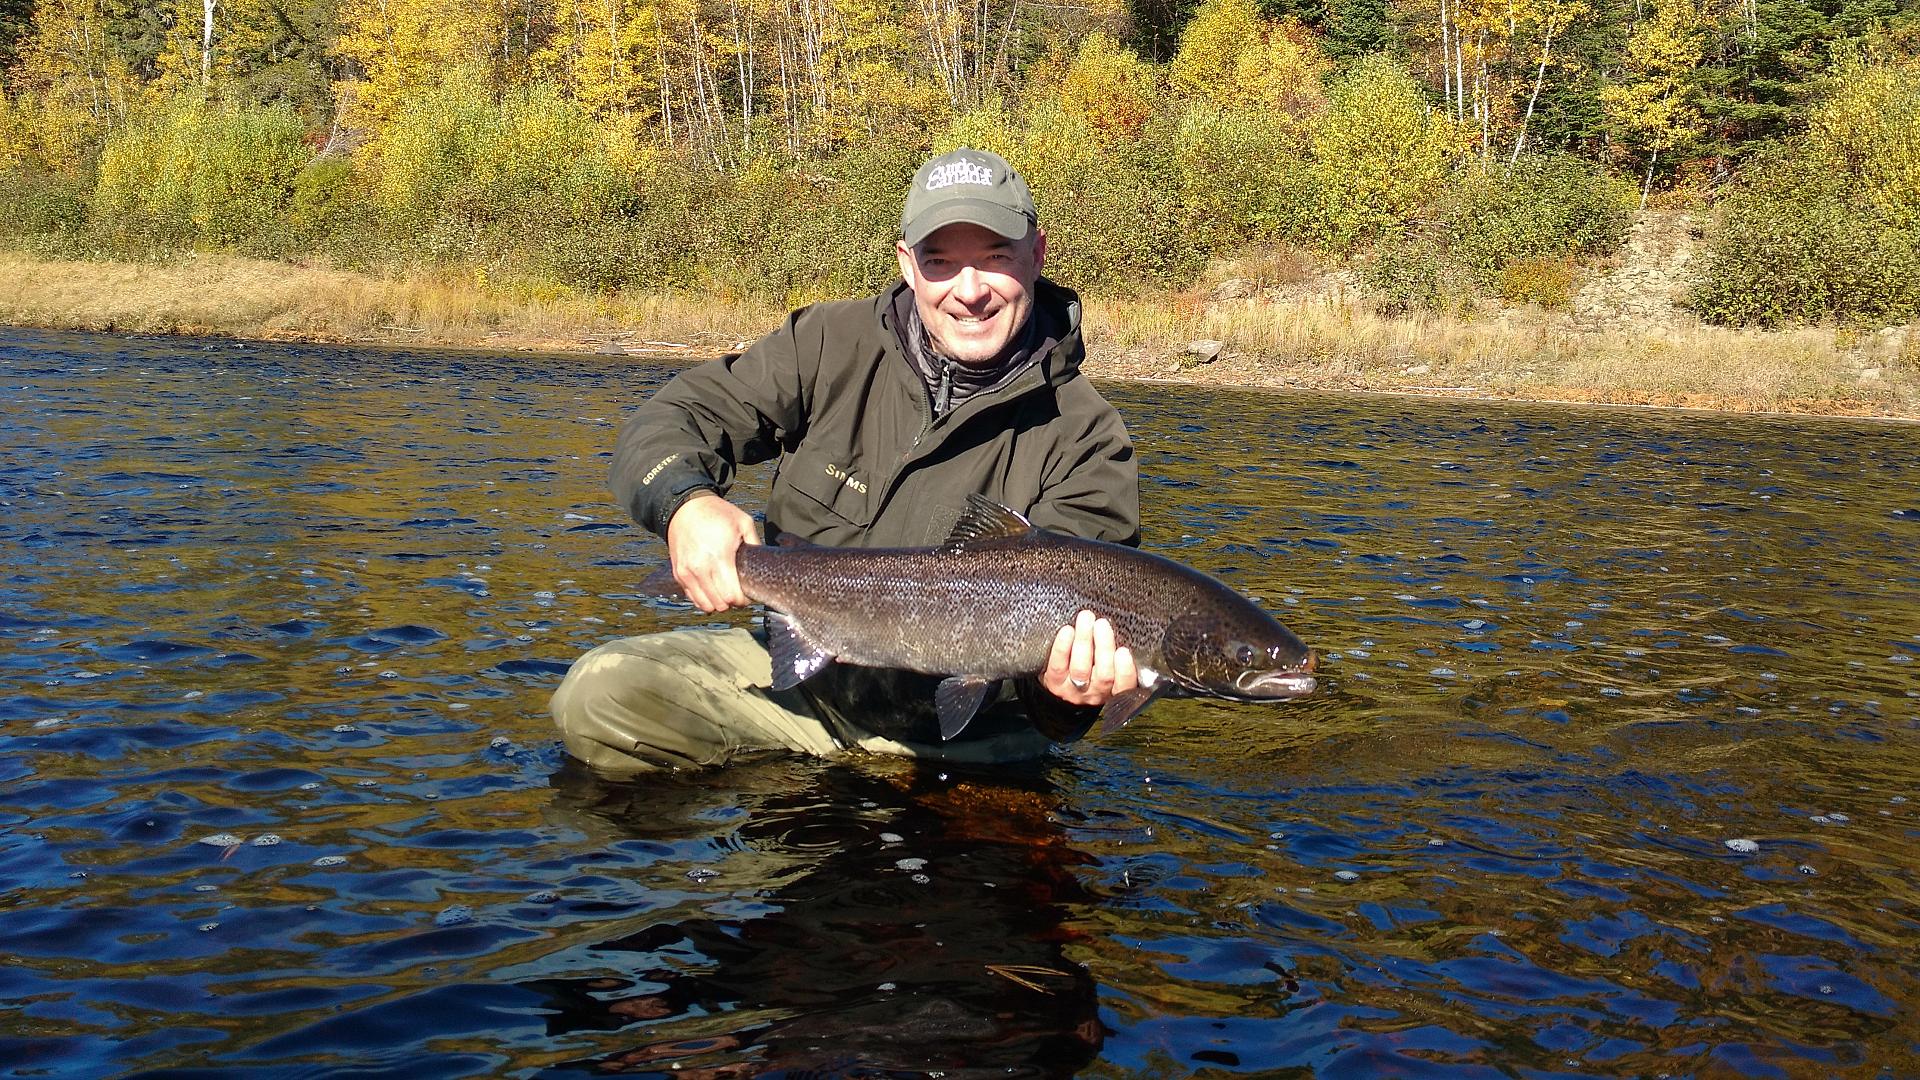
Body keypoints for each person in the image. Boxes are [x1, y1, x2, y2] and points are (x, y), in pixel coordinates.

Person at [550, 147, 1141, 777]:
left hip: (963, 738)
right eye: (941, 263)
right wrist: (684, 505)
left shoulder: (1087, 438)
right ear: (907, 265)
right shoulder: (829, 344)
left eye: (995, 259)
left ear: (1037, 255)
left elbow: (1066, 704)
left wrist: (1068, 698)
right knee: (599, 696)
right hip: (799, 688)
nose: (970, 292)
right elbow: (668, 421)